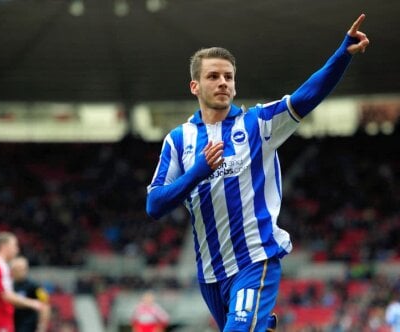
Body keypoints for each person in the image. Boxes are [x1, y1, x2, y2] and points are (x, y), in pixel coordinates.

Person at [146, 14, 369, 332]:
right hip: (210, 273)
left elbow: (307, 95)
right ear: (195, 86)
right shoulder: (179, 140)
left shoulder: (258, 124)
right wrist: (197, 172)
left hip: (256, 259)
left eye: (228, 76)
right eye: (213, 76)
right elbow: (154, 205)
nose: (223, 82)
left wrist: (341, 55)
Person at [0, 232, 46, 332]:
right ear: (3, 246)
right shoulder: (0, 267)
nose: (17, 249)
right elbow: (6, 295)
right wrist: (32, 303)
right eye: (14, 245)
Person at [11, 256, 50, 332]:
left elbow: (45, 305)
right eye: (18, 269)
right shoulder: (9, 286)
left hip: (29, 326)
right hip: (12, 326)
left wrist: (42, 327)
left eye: (23, 269)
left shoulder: (34, 286)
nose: (21, 271)